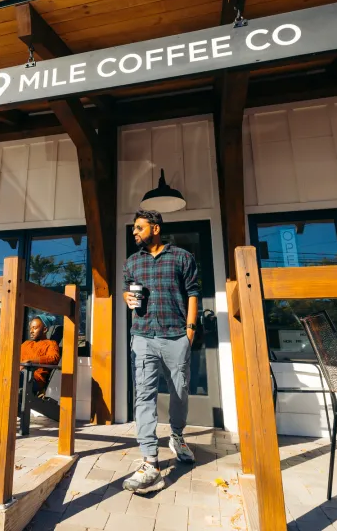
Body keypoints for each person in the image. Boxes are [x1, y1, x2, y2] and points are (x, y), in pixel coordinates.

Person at [122, 209, 200, 494]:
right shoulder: (132, 262)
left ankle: (177, 436)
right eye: (133, 229)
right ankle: (150, 461)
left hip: (176, 334)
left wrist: (190, 331)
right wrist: (127, 297)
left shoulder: (181, 257)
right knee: (144, 394)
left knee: (180, 391)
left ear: (155, 228)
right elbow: (125, 291)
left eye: (139, 228)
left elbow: (193, 293)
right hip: (142, 336)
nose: (134, 232)